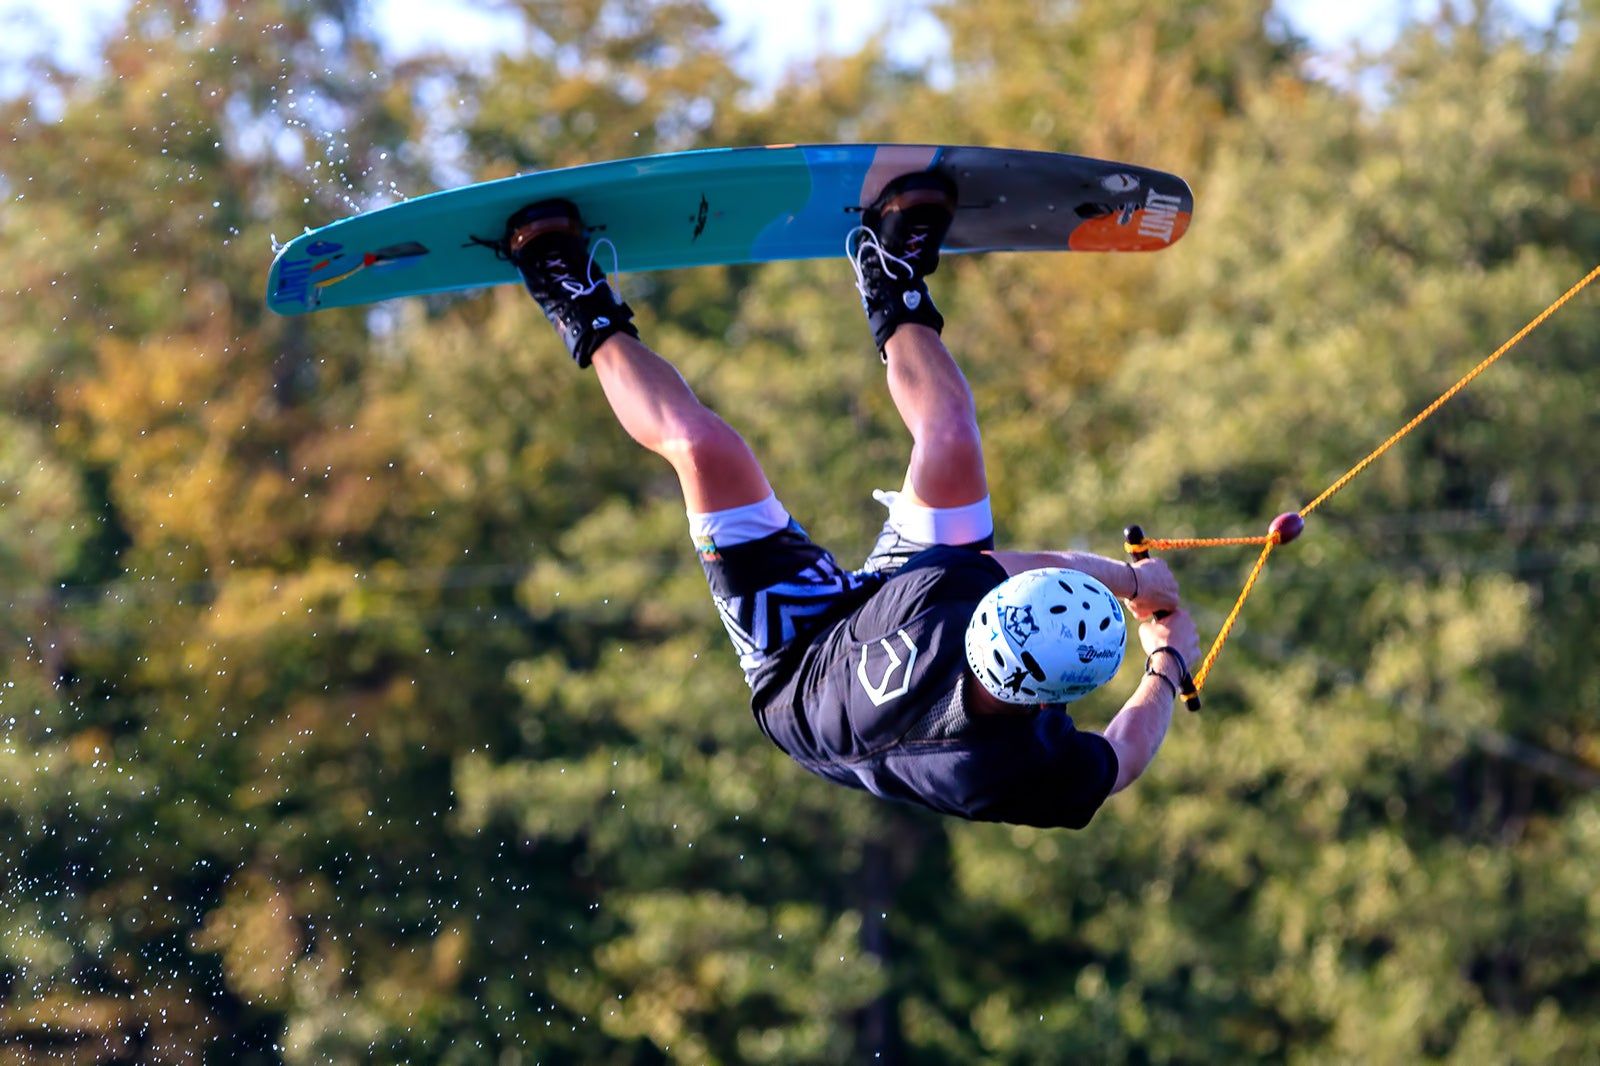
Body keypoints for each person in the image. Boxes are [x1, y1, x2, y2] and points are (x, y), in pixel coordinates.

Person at [499, 172, 1202, 829]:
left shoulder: (1012, 772)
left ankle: (568, 294)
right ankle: (891, 274)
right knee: (951, 435)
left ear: (1043, 705)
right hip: (898, 610)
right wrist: (1162, 648)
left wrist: (1143, 599)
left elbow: (1116, 758)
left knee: (704, 451)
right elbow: (1117, 745)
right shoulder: (968, 600)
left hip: (797, 665)